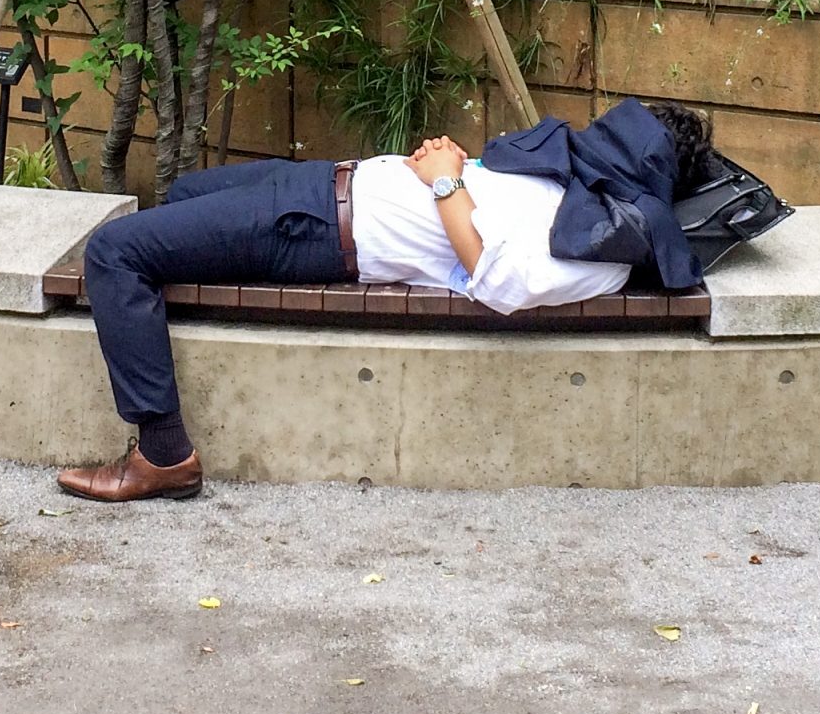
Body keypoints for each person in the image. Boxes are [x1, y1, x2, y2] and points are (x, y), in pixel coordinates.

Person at [56, 98, 718, 502]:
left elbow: (496, 280)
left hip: (313, 229)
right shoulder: (577, 179)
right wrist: (453, 162)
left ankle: (164, 454)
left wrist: (445, 180)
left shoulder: (600, 248)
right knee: (183, 196)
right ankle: (152, 351)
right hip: (326, 184)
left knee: (116, 252)